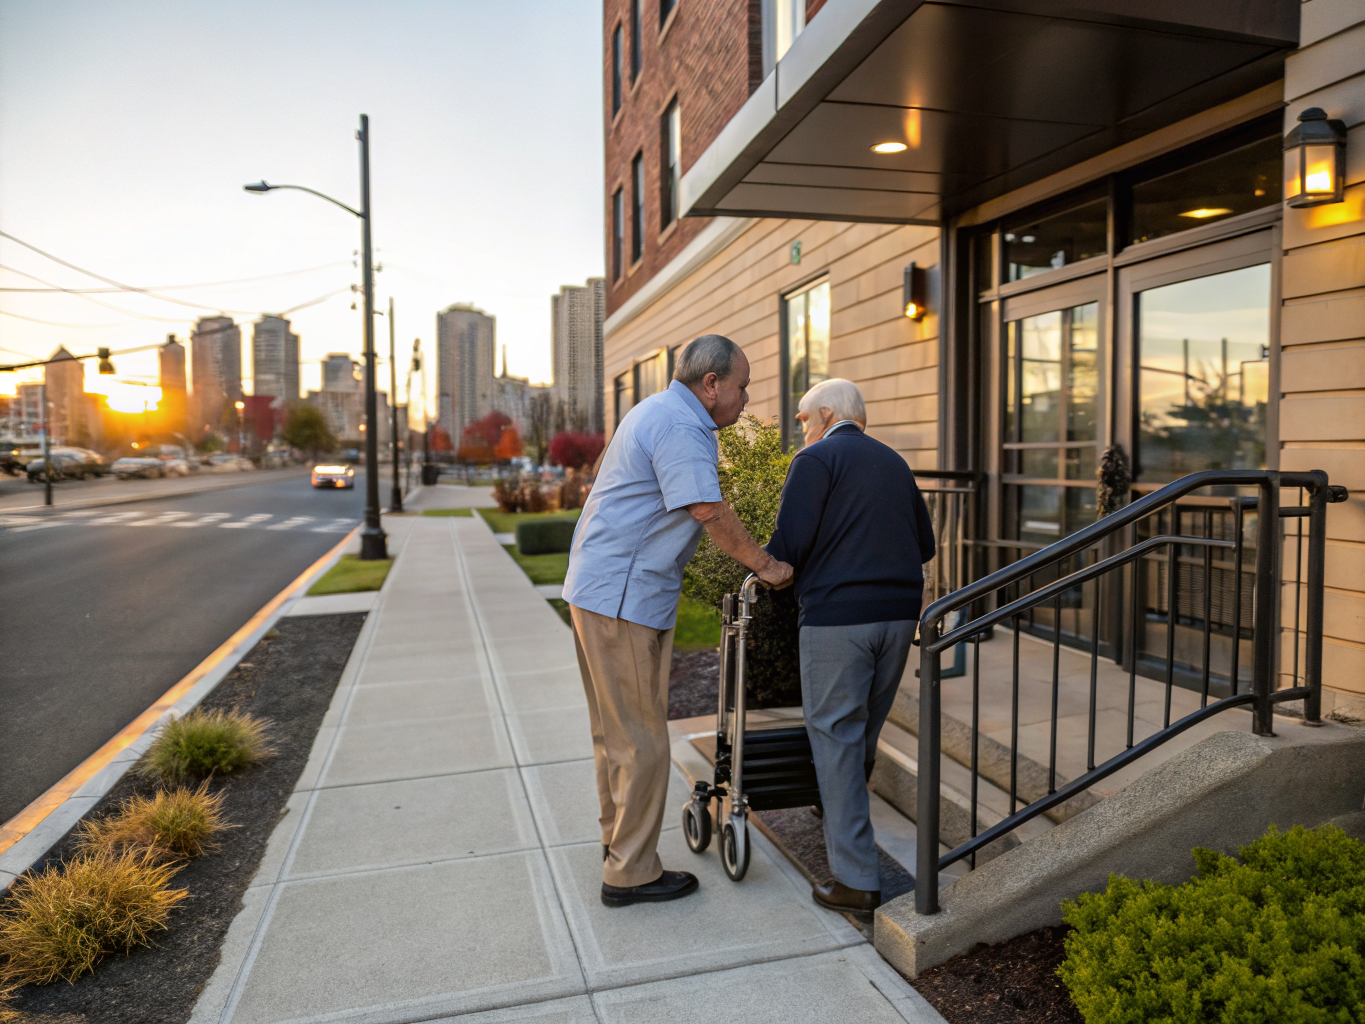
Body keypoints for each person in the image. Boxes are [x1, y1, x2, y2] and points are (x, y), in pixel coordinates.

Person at [564, 334, 794, 908]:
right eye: (742, 386)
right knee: (642, 742)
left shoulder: (654, 410)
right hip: (621, 598)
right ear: (711, 384)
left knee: (615, 737)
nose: (746, 398)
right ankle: (631, 872)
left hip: (601, 590)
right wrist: (768, 566)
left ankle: (619, 847)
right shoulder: (682, 425)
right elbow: (708, 510)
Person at [764, 378, 935, 921]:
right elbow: (926, 545)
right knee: (861, 730)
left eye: (802, 416)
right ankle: (837, 808)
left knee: (835, 738)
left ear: (829, 413)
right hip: (901, 616)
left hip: (838, 620)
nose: (800, 426)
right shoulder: (895, 464)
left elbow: (787, 547)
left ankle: (857, 881)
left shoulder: (815, 461)